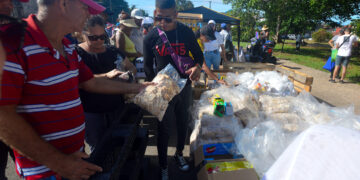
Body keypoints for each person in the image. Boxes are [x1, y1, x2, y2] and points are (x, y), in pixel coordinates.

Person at [0, 1, 152, 180]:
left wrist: (139, 87)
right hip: (47, 171)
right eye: (84, 8)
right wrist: (58, 162)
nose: (88, 15)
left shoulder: (67, 46)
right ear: (63, 4)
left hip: (74, 161)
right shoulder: (12, 41)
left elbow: (90, 82)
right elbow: (3, 115)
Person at [143, 0, 203, 179]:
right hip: (163, 90)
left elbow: (199, 56)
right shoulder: (150, 37)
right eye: (158, 18)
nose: (163, 22)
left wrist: (197, 67)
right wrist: (154, 87)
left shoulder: (186, 32)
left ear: (176, 14)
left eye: (167, 19)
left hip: (184, 86)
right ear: (155, 13)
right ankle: (163, 165)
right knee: (164, 128)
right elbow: (147, 67)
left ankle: (179, 155)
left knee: (183, 122)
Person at [76, 15, 137, 150]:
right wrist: (107, 75)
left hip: (116, 108)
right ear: (82, 33)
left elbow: (131, 67)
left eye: (102, 37)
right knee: (98, 149)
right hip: (91, 112)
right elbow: (77, 80)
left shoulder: (113, 51)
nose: (98, 41)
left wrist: (128, 75)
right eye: (93, 37)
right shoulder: (76, 54)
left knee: (118, 146)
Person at [0, 1, 29, 179]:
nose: (9, 6)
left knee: (31, 168)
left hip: (19, 118)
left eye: (11, 2)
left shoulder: (16, 34)